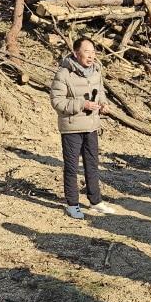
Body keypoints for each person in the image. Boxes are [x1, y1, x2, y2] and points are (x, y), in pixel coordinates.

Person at [50, 36, 115, 219]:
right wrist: (82, 105)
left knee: (92, 165)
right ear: (76, 53)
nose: (91, 55)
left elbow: (100, 92)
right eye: (87, 51)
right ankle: (72, 204)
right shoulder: (64, 73)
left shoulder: (96, 71)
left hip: (91, 126)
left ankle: (95, 201)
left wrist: (103, 104)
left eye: (93, 51)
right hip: (71, 128)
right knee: (72, 167)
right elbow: (57, 101)